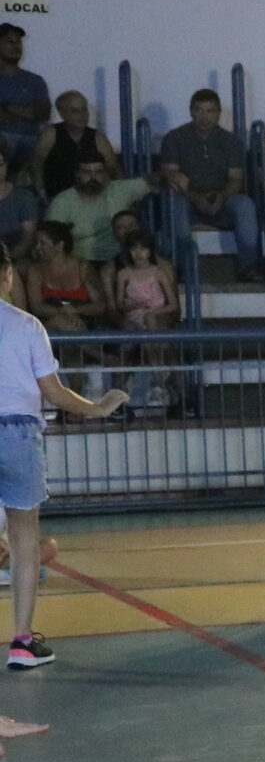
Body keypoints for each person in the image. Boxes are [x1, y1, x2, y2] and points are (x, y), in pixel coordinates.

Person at [1, 251, 128, 684]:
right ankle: (22, 642)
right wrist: (98, 408)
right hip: (18, 433)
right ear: (8, 276)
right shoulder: (27, 325)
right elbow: (54, 392)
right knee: (24, 542)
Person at [157, 89, 265, 283]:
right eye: (199, 110)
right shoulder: (174, 138)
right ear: (191, 111)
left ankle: (248, 267)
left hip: (221, 199)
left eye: (210, 111)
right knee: (175, 204)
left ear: (218, 113)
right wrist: (196, 198)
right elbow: (172, 177)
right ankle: (183, 268)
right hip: (187, 198)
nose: (204, 117)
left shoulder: (231, 141)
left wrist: (221, 197)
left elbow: (236, 180)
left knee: (245, 205)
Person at [33, 89, 118, 199]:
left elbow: (113, 169)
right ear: (62, 113)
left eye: (84, 109)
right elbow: (36, 165)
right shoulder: (50, 134)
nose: (82, 115)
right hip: (56, 198)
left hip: (91, 198)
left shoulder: (98, 138)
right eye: (75, 111)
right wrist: (41, 192)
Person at [0, 26, 50, 177]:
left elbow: (43, 113)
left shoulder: (35, 80)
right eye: (10, 41)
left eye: (18, 42)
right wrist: (27, 112)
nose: (16, 46)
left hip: (32, 140)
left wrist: (7, 107)